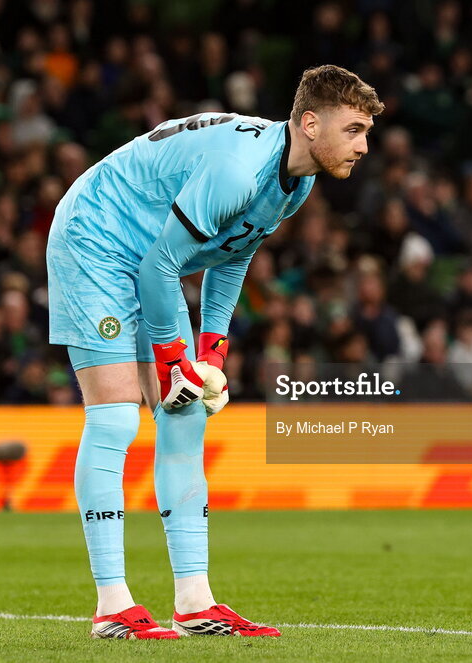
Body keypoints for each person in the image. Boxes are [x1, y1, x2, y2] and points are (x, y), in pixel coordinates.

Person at [46, 65, 383, 640]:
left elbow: (232, 254)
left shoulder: (296, 182)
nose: (364, 146)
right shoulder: (238, 171)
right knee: (116, 418)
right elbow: (160, 266)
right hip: (96, 240)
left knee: (184, 416)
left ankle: (195, 602)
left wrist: (211, 349)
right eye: (353, 130)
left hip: (156, 260)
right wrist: (174, 356)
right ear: (309, 123)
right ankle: (111, 605)